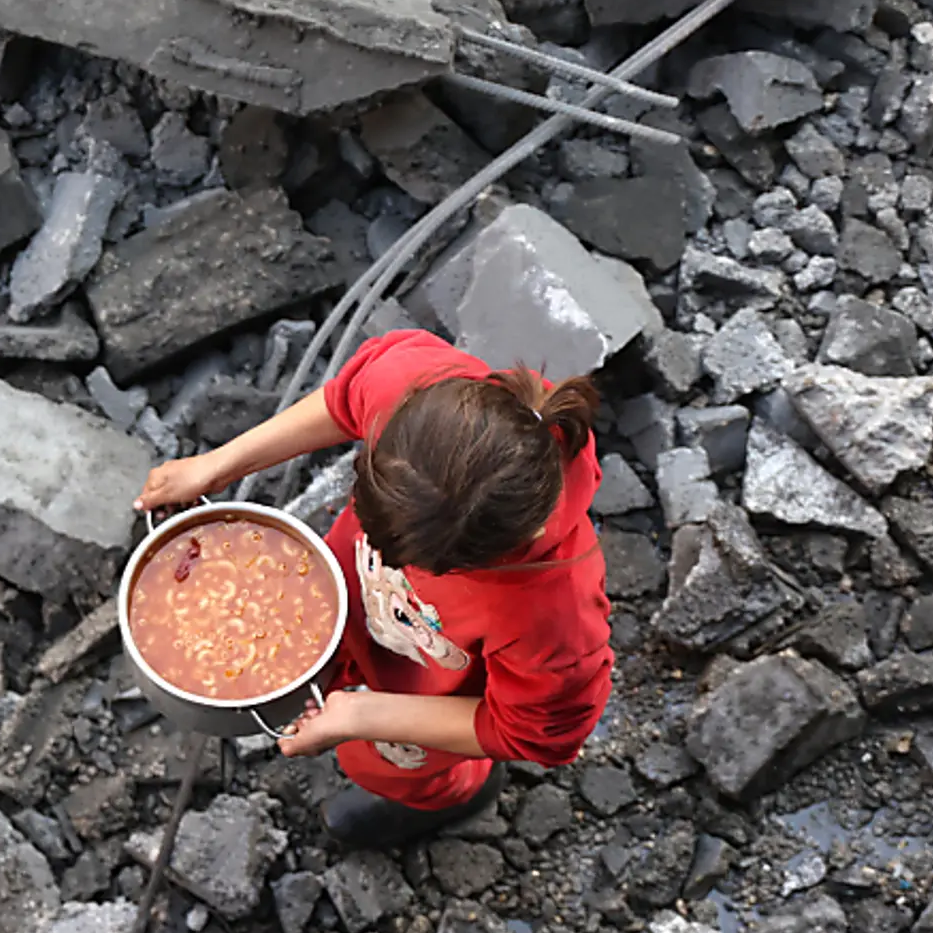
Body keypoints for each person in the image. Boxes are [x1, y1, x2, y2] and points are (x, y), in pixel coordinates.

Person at [136, 328, 612, 850]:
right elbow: (345, 399)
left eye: (417, 561)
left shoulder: (555, 622)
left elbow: (530, 733)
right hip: (353, 597)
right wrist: (214, 466)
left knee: (385, 764)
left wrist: (361, 715)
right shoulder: (412, 389)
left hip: (435, 691)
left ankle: (457, 793)